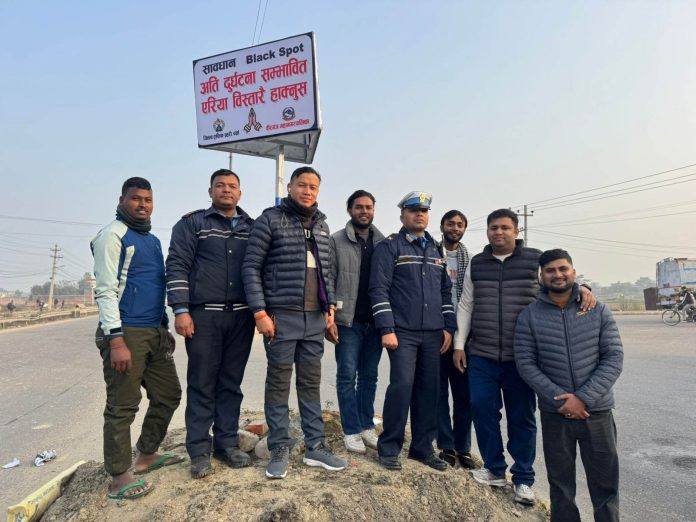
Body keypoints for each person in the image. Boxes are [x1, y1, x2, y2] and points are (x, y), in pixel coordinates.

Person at [453, 208, 595, 505]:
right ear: (488, 231)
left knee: (522, 417)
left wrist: (583, 288)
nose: (499, 232)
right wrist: (459, 344)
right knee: (482, 411)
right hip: (482, 354)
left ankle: (523, 479)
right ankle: (494, 469)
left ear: (516, 231)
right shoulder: (478, 263)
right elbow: (466, 304)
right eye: (494, 227)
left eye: (505, 227)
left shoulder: (534, 259)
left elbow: (558, 284)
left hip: (523, 358)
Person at [242, 166, 346, 479]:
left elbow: (327, 273)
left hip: (315, 319)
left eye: (313, 187)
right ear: (290, 187)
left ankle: (315, 446)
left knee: (310, 383)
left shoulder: (322, 226)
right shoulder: (270, 220)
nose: (307, 191)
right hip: (281, 317)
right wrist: (260, 313)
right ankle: (278, 448)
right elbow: (251, 268)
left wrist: (330, 309)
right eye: (302, 185)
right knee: (278, 383)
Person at [515, 249, 623, 522]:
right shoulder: (529, 316)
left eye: (563, 269)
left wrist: (583, 398)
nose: (558, 275)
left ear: (573, 272)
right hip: (556, 414)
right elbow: (526, 363)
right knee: (561, 486)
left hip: (596, 412)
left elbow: (613, 357)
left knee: (605, 486)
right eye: (550, 271)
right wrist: (561, 399)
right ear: (541, 276)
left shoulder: (597, 310)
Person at [91, 177, 182, 500]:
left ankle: (146, 454)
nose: (143, 205)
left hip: (153, 332)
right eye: (135, 199)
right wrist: (115, 340)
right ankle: (118, 476)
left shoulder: (152, 240)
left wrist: (163, 326)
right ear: (122, 200)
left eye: (148, 199)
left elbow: (154, 286)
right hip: (125, 331)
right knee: (122, 406)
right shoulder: (112, 235)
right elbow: (105, 290)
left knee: (168, 394)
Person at [166, 169, 255, 478]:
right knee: (202, 383)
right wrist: (181, 309)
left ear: (240, 193)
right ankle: (199, 450)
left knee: (231, 383)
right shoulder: (192, 224)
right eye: (220, 185)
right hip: (203, 316)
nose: (226, 190)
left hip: (241, 316)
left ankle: (226, 444)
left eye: (232, 186)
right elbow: (177, 265)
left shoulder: (252, 227)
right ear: (210, 191)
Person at [370, 191, 456, 471]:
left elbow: (445, 291)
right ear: (402, 216)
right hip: (402, 332)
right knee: (402, 387)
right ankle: (389, 447)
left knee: (430, 390)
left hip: (433, 333)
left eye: (424, 211)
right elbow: (378, 289)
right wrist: (386, 328)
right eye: (413, 210)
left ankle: (422, 448)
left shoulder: (435, 249)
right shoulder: (390, 247)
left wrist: (448, 327)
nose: (420, 214)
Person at [328, 190, 385, 453]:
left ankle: (366, 426)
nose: (364, 211)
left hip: (375, 321)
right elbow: (328, 279)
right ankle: (350, 430)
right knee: (346, 375)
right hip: (347, 321)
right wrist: (329, 316)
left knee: (369, 376)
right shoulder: (336, 240)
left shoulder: (383, 242)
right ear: (350, 210)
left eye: (369, 207)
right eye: (359, 207)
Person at [436, 210, 476, 469]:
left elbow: (470, 301)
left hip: (463, 336)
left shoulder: (471, 261)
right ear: (442, 226)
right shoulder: (430, 254)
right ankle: (446, 445)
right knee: (439, 394)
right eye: (451, 223)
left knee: (464, 396)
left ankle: (463, 448)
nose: (455, 228)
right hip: (436, 333)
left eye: (460, 225)